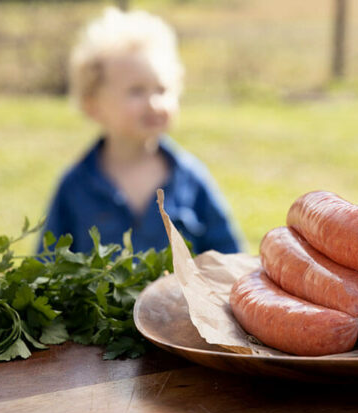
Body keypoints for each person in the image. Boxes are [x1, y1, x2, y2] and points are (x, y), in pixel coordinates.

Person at [38, 7, 244, 255]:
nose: (154, 103)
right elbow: (47, 266)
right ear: (93, 104)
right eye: (136, 91)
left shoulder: (192, 181)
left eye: (162, 89)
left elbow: (230, 261)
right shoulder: (75, 186)